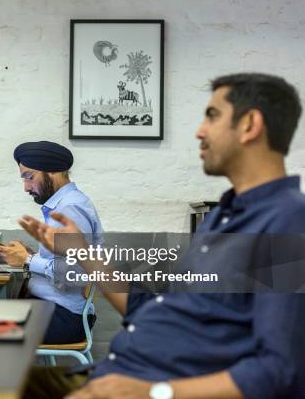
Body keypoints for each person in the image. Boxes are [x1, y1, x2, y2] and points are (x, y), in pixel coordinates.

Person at [19, 73, 305, 399]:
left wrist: (155, 391)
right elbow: (147, 310)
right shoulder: (223, 216)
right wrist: (82, 252)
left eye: (212, 116)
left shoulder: (286, 220)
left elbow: (281, 372)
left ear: (250, 124)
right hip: (118, 372)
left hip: (144, 384)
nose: (200, 131)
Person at [0, 141, 103, 344]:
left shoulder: (69, 209)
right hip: (51, 309)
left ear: (52, 172)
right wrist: (31, 255)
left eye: (30, 177)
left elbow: (75, 273)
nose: (26, 187)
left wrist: (27, 260)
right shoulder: (63, 205)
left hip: (64, 317)